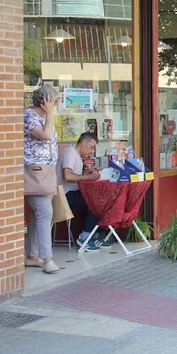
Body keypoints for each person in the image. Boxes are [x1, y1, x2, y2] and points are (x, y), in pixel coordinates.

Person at [23, 85, 61, 274]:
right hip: (34, 172)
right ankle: (47, 259)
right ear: (46, 100)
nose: (56, 105)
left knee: (37, 214)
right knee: (45, 212)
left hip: (47, 172)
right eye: (54, 101)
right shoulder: (29, 116)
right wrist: (50, 113)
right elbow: (45, 136)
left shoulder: (44, 117)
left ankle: (32, 255)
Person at [57, 132, 107, 251]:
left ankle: (94, 235)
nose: (92, 151)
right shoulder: (70, 153)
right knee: (95, 202)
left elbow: (76, 176)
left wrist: (88, 172)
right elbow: (67, 176)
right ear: (84, 142)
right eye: (92, 147)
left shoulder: (77, 156)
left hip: (70, 193)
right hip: (63, 196)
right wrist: (89, 177)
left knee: (99, 199)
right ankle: (84, 237)